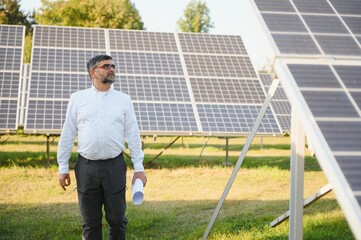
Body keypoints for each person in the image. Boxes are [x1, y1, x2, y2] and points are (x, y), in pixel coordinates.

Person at [57, 54, 147, 240]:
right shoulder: (77, 98)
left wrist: (139, 168)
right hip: (86, 168)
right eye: (106, 66)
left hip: (114, 166)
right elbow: (67, 134)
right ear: (93, 72)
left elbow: (133, 135)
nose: (112, 69)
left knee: (117, 219)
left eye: (113, 66)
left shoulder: (124, 100)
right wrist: (62, 167)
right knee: (90, 222)